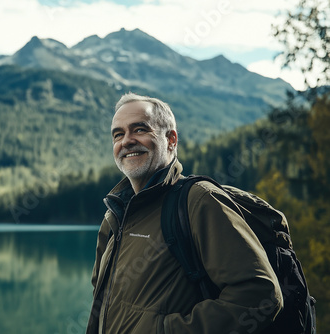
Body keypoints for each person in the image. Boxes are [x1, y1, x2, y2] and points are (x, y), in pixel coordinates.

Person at [86, 93, 283, 334]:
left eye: (139, 129)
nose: (126, 141)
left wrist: (164, 330)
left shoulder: (199, 200)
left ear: (170, 139)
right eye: (118, 134)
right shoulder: (114, 217)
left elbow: (260, 295)